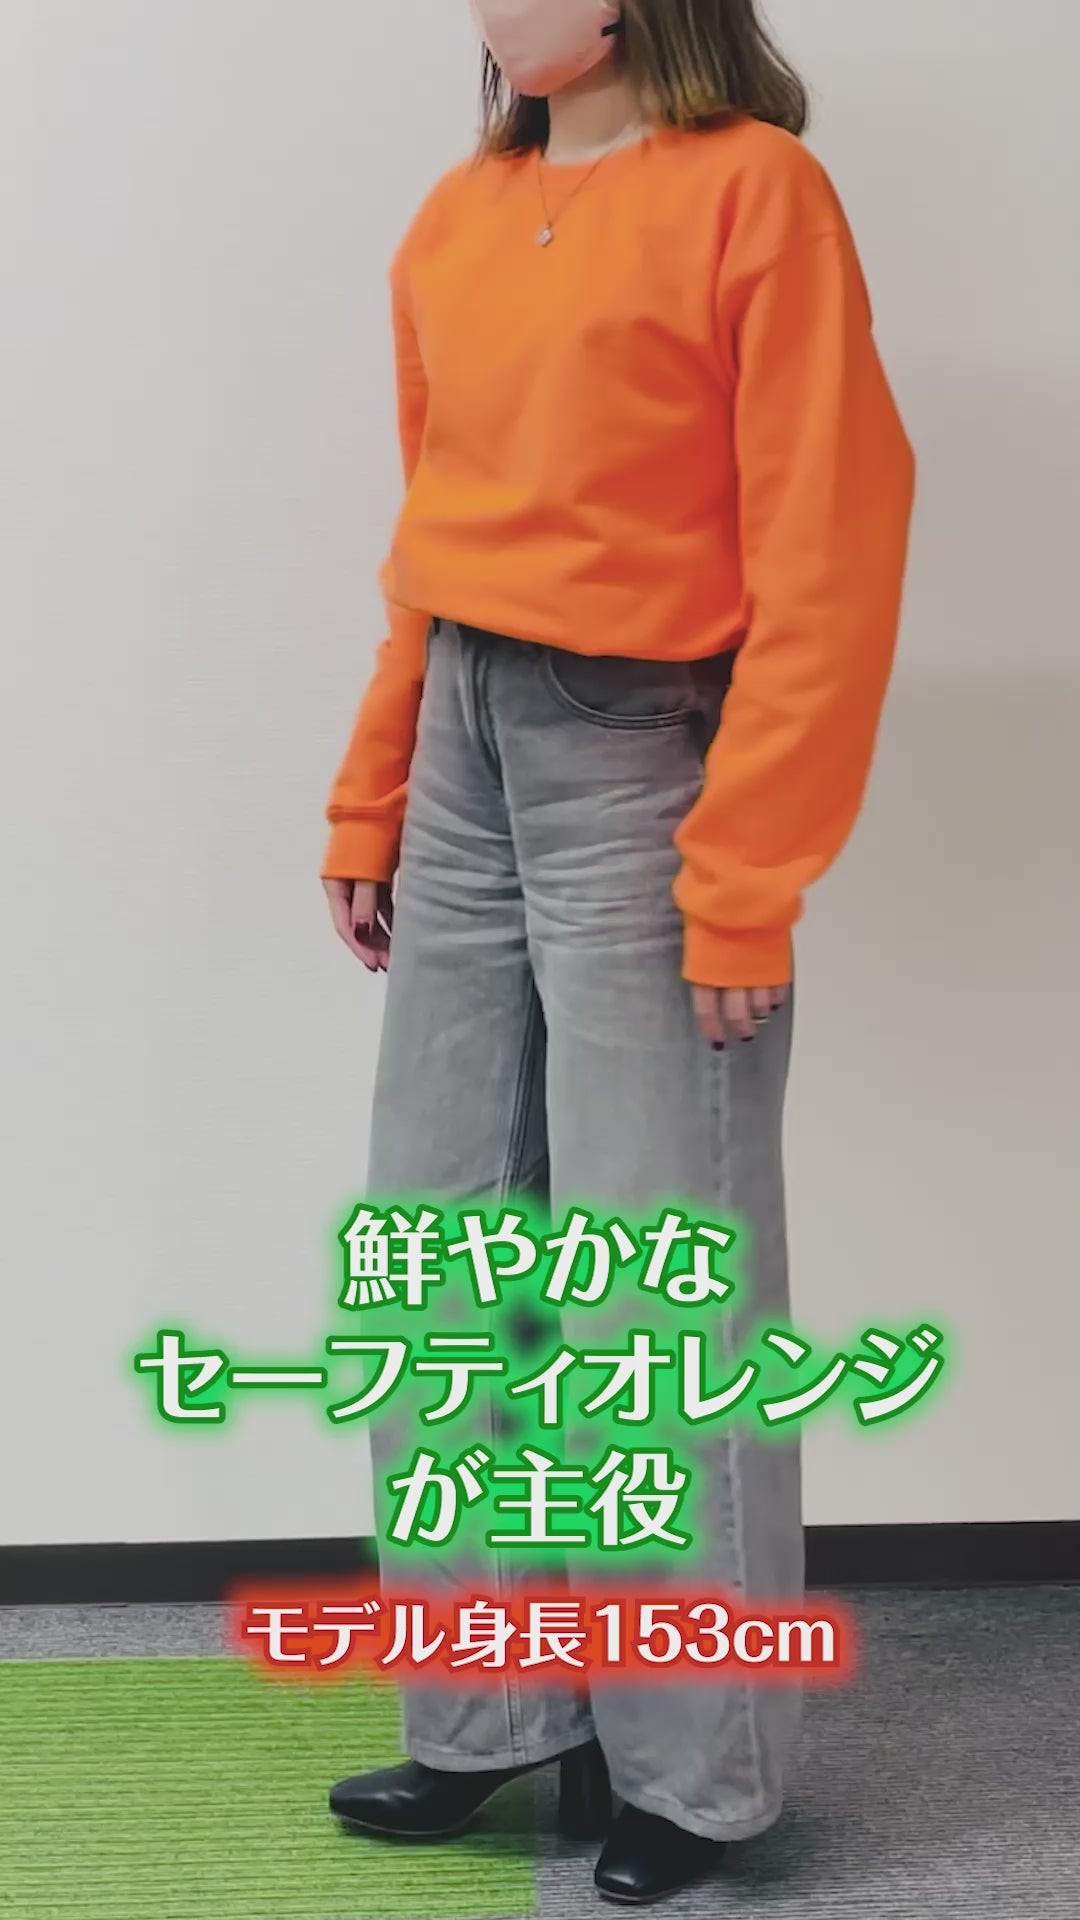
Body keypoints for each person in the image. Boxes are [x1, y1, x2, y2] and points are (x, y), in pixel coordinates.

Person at [320, 0, 915, 1905]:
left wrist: (746, 878)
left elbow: (830, 544)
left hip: (642, 752)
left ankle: (696, 1776)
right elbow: (430, 535)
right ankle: (500, 1715)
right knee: (444, 1249)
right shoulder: (458, 214)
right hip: (465, 746)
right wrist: (374, 793)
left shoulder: (757, 194)